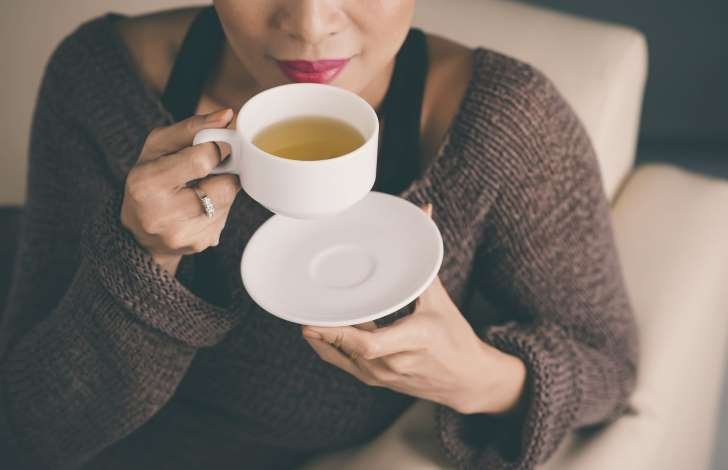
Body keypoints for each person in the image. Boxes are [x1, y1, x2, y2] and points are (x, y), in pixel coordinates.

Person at [0, 1, 638, 469]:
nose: (309, 24)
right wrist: (147, 257)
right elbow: (30, 431)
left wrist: (473, 376)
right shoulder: (102, 79)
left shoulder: (503, 121)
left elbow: (609, 365)